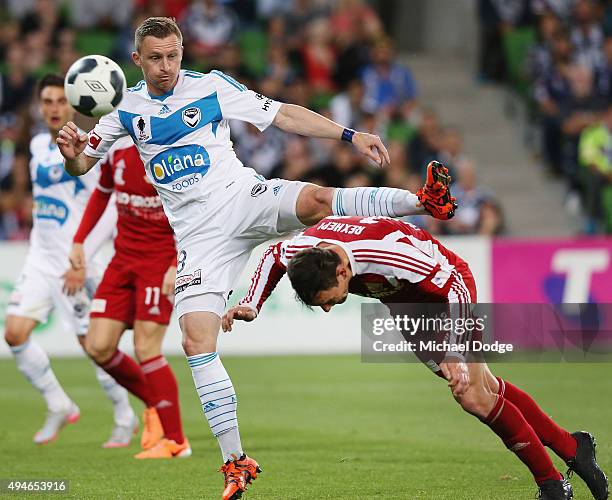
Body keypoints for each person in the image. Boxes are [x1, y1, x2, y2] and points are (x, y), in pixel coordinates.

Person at [56, 17, 454, 499]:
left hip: (244, 197)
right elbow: (82, 162)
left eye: (173, 55)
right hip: (199, 239)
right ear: (137, 60)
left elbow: (283, 115)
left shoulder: (211, 87)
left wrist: (348, 136)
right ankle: (235, 461)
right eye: (155, 58)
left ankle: (422, 200)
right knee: (196, 339)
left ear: (182, 50)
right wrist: (72, 152)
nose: (166, 66)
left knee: (317, 200)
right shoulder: (124, 111)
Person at [223, 215, 609, 500]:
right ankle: (574, 448)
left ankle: (552, 485)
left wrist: (456, 350)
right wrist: (251, 304)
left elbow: (454, 286)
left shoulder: (387, 255)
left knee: (472, 394)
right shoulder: (304, 251)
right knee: (485, 388)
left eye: (331, 301)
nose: (328, 310)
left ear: (343, 271)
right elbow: (274, 253)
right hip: (403, 304)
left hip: (450, 290)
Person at [3, 74, 137, 447]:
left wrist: (82, 258)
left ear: (74, 104)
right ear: (39, 106)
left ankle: (125, 417)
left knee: (94, 346)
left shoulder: (90, 148)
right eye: (46, 101)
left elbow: (108, 205)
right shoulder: (35, 146)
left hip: (78, 264)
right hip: (40, 258)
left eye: (60, 101)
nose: (53, 108)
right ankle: (58, 403)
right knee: (14, 333)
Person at [69, 135, 189, 458]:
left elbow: (194, 213)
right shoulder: (116, 150)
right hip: (122, 261)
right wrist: (79, 240)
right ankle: (153, 403)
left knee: (146, 347)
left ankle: (176, 442)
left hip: (159, 262)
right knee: (98, 345)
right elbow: (102, 193)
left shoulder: (174, 153)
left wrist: (178, 262)